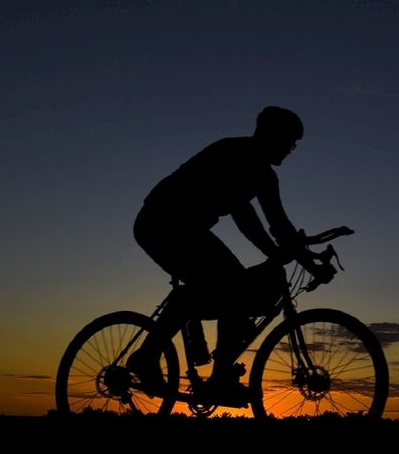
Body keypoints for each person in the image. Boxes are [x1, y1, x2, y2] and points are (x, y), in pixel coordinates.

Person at [127, 106, 312, 406]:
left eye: (294, 145)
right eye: (288, 142)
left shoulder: (266, 176)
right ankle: (159, 361)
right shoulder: (233, 152)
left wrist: (307, 260)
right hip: (161, 221)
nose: (290, 150)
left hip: (188, 229)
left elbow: (279, 224)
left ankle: (212, 371)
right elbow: (244, 214)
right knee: (233, 284)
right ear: (270, 135)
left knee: (229, 288)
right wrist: (275, 253)